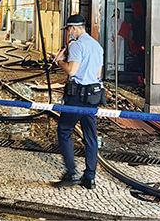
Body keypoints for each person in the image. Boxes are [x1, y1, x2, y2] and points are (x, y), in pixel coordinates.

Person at [52, 14, 105, 190]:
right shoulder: (97, 46)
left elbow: (72, 71)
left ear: (74, 28)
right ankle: (90, 177)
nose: (68, 33)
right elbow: (98, 73)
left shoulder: (76, 45)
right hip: (93, 96)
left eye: (68, 29)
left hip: (77, 96)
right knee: (90, 135)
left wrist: (60, 61)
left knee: (64, 129)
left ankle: (72, 173)